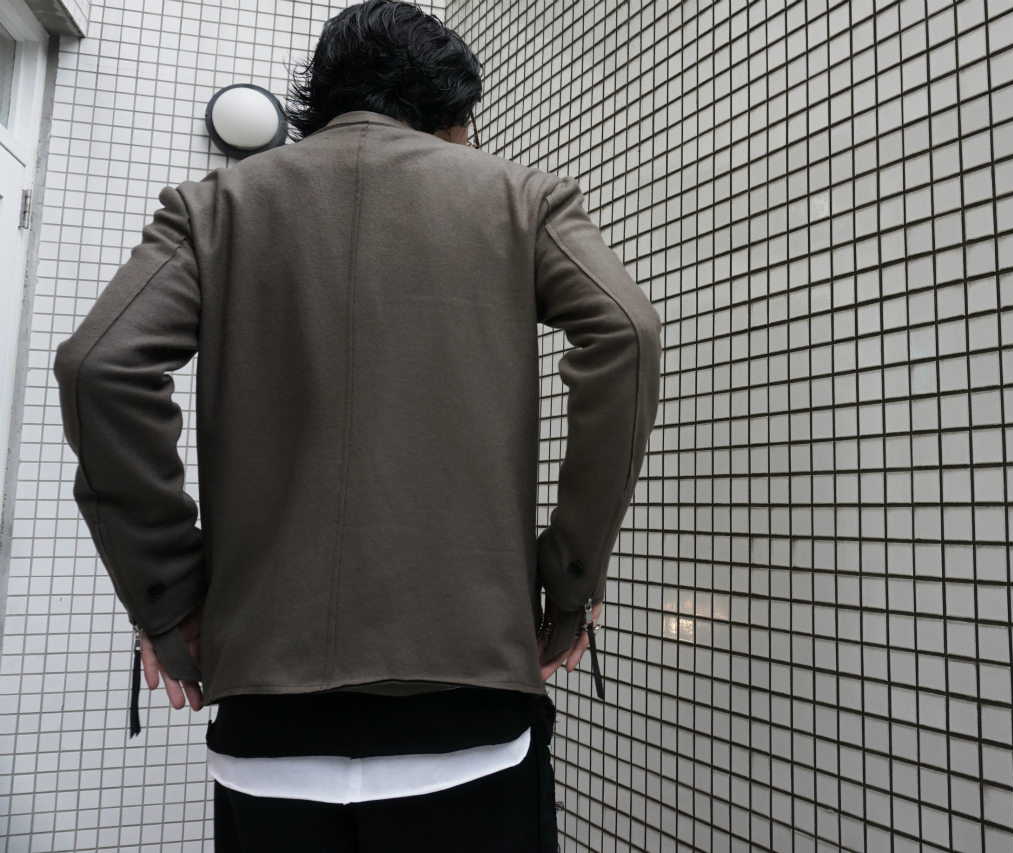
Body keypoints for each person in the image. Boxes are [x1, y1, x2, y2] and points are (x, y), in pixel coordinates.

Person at [51, 1, 662, 850]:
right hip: (470, 722)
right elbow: (626, 332)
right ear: (453, 112)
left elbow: (98, 364)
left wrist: (170, 595)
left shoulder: (214, 206)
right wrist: (568, 581)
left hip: (269, 731)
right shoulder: (521, 198)